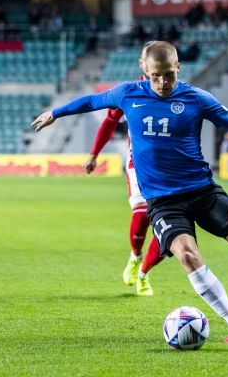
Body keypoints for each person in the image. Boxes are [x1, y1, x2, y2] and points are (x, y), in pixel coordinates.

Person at [32, 41, 228, 343]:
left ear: (178, 68)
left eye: (168, 76)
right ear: (144, 69)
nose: (162, 83)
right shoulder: (127, 94)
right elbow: (91, 101)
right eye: (155, 76)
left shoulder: (196, 98)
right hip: (162, 201)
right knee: (187, 255)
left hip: (203, 191)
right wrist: (56, 112)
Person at [82, 41, 164, 296]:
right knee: (142, 217)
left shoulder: (175, 90)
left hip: (172, 168)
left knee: (169, 233)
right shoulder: (130, 92)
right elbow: (109, 121)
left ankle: (143, 273)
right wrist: (94, 154)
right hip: (138, 164)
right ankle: (135, 257)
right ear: (142, 63)